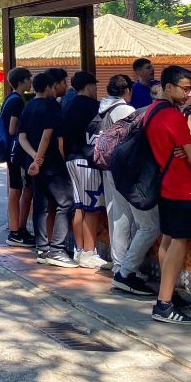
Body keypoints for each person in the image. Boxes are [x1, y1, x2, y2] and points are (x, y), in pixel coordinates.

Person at [147, 65, 191, 325]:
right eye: (185, 89)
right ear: (168, 87)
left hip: (163, 184)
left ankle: (168, 292)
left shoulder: (151, 112)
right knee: (179, 242)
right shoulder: (173, 116)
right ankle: (164, 302)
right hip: (180, 186)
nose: (188, 94)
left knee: (167, 241)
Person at [102, 75, 159, 296]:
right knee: (140, 223)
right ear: (127, 90)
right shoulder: (126, 110)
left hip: (113, 168)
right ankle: (125, 268)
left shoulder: (105, 108)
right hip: (128, 170)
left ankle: (121, 265)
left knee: (120, 216)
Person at [20, 72, 75, 268]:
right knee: (66, 202)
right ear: (49, 87)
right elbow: (48, 134)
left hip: (34, 165)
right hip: (50, 163)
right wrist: (40, 159)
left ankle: (42, 248)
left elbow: (21, 137)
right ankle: (57, 249)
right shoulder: (51, 105)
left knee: (40, 206)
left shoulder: (28, 106)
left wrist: (34, 157)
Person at [62, 71, 108, 269]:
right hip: (88, 161)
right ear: (89, 87)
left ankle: (79, 250)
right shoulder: (94, 107)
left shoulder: (67, 104)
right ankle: (89, 252)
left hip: (70, 160)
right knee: (92, 207)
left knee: (79, 206)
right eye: (95, 86)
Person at [0, 67, 34, 248]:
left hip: (10, 151)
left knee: (17, 189)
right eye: (28, 79)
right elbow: (13, 129)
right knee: (16, 190)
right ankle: (15, 232)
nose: (31, 82)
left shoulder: (10, 99)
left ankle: (18, 229)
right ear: (21, 81)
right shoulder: (17, 101)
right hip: (15, 152)